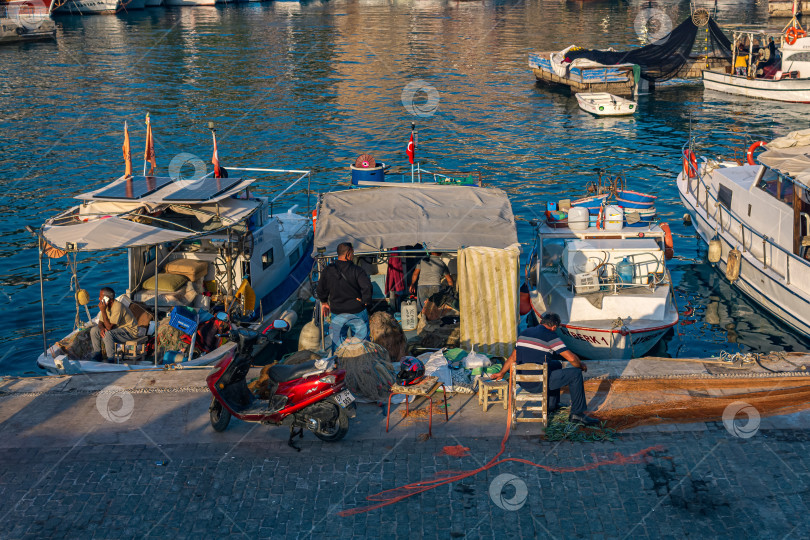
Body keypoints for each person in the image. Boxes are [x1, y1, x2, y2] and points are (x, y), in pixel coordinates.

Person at [491, 312, 599, 426]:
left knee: (556, 364)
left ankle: (552, 405)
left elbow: (513, 357)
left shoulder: (524, 333)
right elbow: (571, 358)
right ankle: (578, 414)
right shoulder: (550, 336)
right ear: (554, 327)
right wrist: (580, 365)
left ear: (542, 322)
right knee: (575, 374)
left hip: (523, 381)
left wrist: (502, 372)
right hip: (538, 383)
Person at [316, 242, 373, 352]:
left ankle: (338, 365)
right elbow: (367, 287)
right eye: (352, 253)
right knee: (362, 344)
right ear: (348, 254)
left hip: (337, 313)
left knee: (337, 345)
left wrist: (324, 303)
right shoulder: (357, 270)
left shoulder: (328, 270)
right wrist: (365, 301)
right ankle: (363, 364)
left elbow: (320, 289)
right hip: (357, 311)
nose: (353, 255)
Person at [89, 287, 138, 363]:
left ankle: (111, 359)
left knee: (107, 334)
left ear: (107, 298)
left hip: (129, 332)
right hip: (117, 330)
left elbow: (109, 327)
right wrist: (102, 329)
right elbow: (100, 323)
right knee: (94, 330)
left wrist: (103, 311)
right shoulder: (106, 306)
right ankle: (98, 354)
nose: (99, 298)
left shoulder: (118, 306)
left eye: (100, 297)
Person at [385, 247, 406, 313]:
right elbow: (395, 272)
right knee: (398, 301)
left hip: (394, 285)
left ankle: (395, 313)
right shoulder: (395, 256)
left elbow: (392, 272)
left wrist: (390, 285)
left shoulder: (393, 256)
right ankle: (397, 313)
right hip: (396, 285)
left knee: (394, 302)